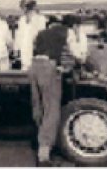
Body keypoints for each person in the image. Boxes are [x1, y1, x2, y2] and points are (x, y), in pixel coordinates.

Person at [31, 15, 88, 168]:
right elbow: (77, 55)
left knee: (39, 106)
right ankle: (44, 155)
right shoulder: (67, 32)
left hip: (34, 67)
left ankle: (42, 139)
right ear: (73, 26)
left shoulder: (41, 33)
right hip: (49, 69)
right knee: (52, 109)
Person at [14, 0, 47, 70]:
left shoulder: (40, 19)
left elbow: (41, 35)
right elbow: (19, 35)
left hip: (35, 51)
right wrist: (16, 49)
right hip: (24, 52)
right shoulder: (22, 20)